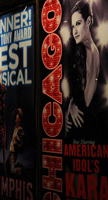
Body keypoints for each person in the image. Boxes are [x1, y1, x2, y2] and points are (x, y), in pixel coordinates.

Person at [65, 0, 100, 142]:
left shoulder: (94, 53)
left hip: (85, 126)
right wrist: (70, 105)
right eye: (73, 26)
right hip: (76, 122)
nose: (74, 31)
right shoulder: (79, 50)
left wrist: (72, 108)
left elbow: (86, 102)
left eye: (78, 24)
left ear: (89, 21)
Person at [8, 108, 26, 176]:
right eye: (16, 118)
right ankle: (18, 166)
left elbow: (22, 143)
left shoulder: (20, 130)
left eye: (17, 118)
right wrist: (17, 110)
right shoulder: (16, 127)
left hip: (14, 152)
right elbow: (13, 115)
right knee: (8, 169)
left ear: (20, 120)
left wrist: (16, 142)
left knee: (12, 171)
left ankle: (21, 170)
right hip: (11, 151)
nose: (15, 120)